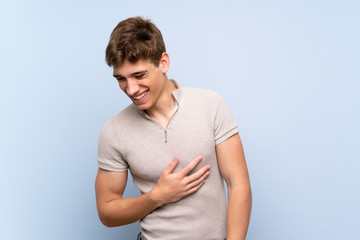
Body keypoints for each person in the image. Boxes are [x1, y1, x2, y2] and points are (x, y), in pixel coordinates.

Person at [95, 16, 252, 240]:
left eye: (139, 75)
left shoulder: (210, 105)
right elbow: (106, 212)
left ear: (163, 63)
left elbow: (239, 185)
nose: (130, 89)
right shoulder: (114, 132)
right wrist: (158, 196)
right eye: (121, 79)